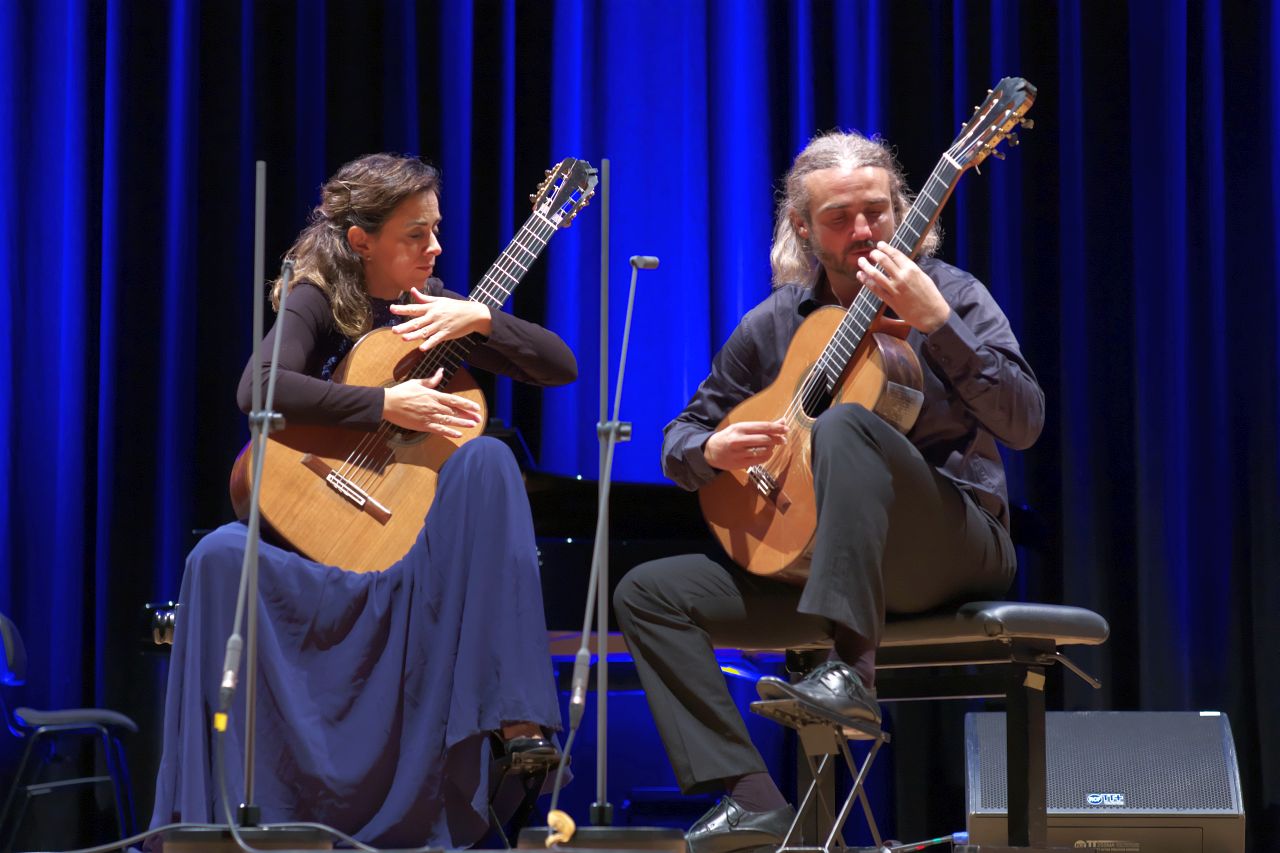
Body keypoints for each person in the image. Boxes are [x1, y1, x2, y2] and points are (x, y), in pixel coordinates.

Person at [613, 130, 1044, 853]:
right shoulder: (775, 323)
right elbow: (681, 435)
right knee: (648, 593)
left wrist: (938, 324)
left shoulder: (954, 295)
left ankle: (853, 677)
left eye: (878, 210)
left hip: (949, 548)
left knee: (847, 424)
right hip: (824, 568)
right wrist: (710, 449)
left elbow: (1025, 422)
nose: (865, 230)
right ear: (804, 228)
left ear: (903, 209)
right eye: (840, 218)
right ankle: (752, 798)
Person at [149, 153, 577, 849]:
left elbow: (560, 366)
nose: (435, 247)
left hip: (403, 553)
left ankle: (519, 719)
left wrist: (480, 320)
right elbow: (258, 389)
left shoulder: (430, 307)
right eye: (416, 233)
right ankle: (218, 818)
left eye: (436, 229)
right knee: (218, 554)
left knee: (489, 456)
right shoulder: (319, 295)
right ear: (361, 240)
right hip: (319, 532)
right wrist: (383, 403)